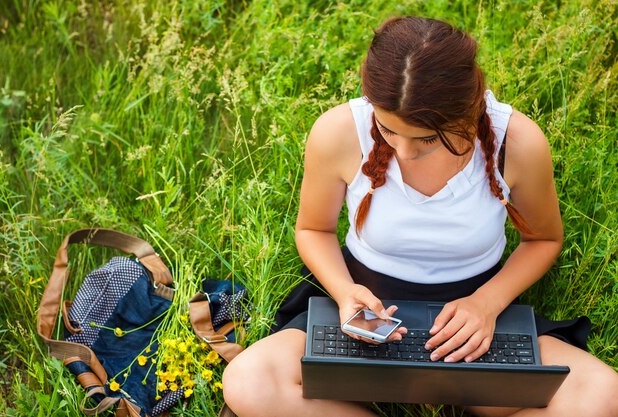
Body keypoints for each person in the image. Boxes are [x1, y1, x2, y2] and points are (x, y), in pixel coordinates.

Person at [222, 16, 618, 417]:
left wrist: (486, 304)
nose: (404, 153)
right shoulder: (339, 131)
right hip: (368, 316)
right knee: (249, 380)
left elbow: (544, 239)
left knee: (602, 395)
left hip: (477, 324)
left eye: (427, 139)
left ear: (467, 111)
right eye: (388, 130)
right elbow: (313, 229)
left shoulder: (516, 142)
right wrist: (344, 294)